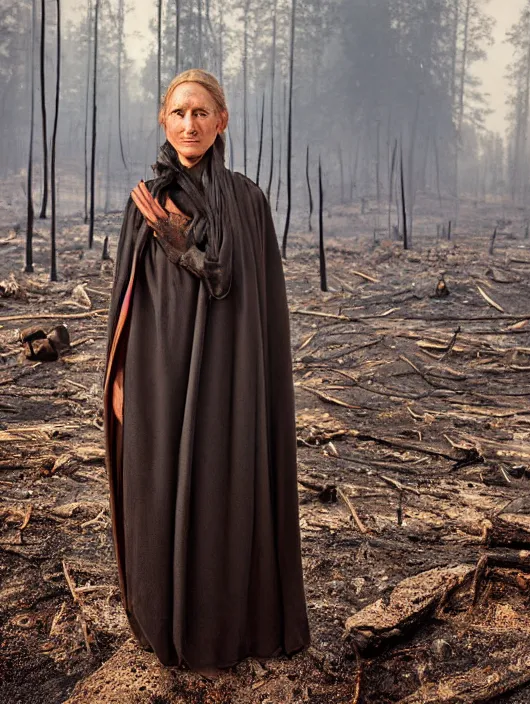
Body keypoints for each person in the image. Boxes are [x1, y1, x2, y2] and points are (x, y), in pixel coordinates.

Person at [103, 69, 311, 674]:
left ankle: (232, 625)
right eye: (178, 114)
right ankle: (164, 619)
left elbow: (249, 295)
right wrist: (118, 378)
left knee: (226, 485)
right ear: (163, 123)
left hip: (229, 374)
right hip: (158, 373)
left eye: (201, 113)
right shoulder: (145, 199)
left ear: (221, 122)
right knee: (160, 484)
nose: (189, 125)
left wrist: (183, 243)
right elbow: (126, 298)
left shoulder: (248, 202)